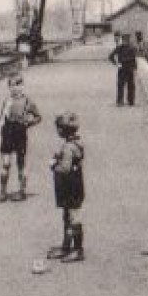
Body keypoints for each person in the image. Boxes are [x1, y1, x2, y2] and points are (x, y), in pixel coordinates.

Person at [0, 73, 43, 202]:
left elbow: (39, 117)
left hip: (20, 133)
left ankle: (22, 191)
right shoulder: (7, 101)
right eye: (11, 85)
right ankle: (2, 191)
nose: (15, 88)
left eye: (18, 85)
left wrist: (29, 123)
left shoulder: (28, 102)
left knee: (21, 164)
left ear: (22, 86)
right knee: (6, 163)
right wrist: (2, 121)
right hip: (7, 133)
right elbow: (1, 118)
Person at [48, 112, 85, 262]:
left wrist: (53, 165)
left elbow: (65, 168)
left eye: (58, 129)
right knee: (67, 215)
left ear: (63, 130)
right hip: (72, 185)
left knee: (73, 216)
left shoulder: (68, 147)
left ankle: (77, 249)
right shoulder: (74, 144)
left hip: (71, 186)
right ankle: (66, 246)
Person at [109, 34, 141, 106]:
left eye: (126, 40)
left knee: (123, 85)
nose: (125, 41)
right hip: (127, 68)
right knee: (129, 85)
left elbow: (110, 56)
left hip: (124, 68)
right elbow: (135, 58)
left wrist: (116, 63)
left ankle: (123, 101)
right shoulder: (130, 48)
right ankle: (129, 101)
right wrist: (135, 67)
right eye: (125, 40)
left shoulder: (120, 48)